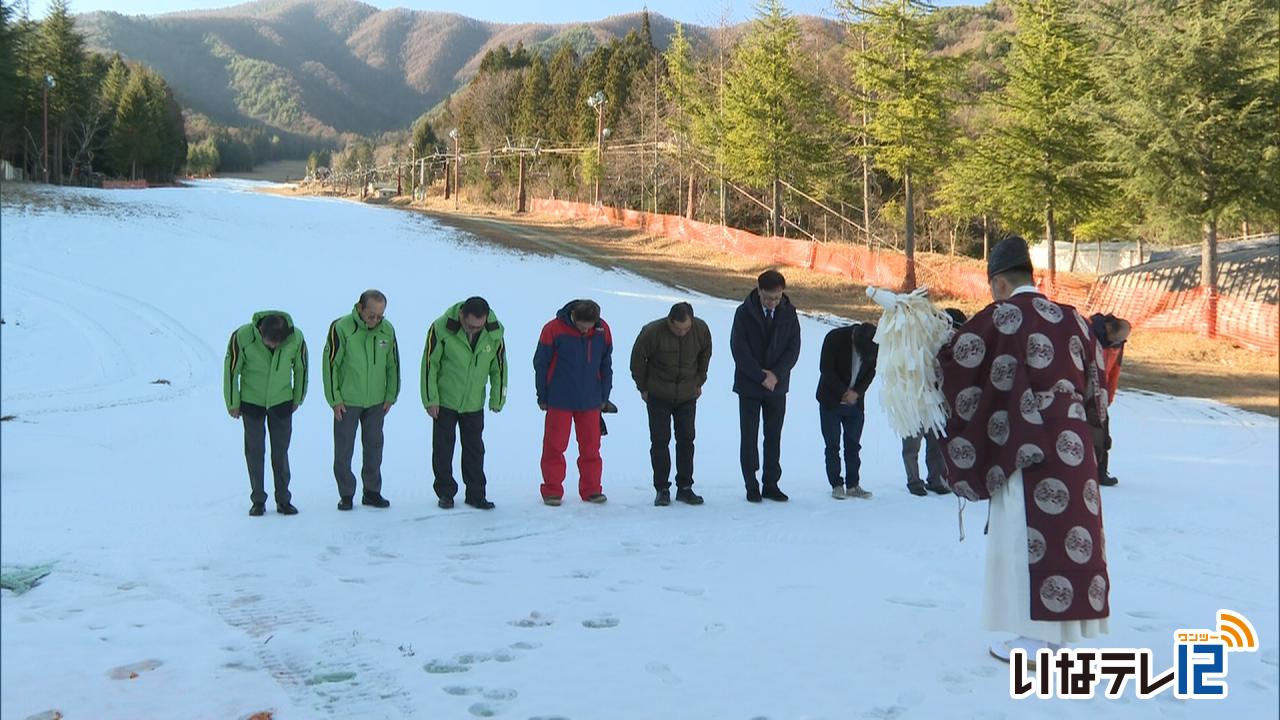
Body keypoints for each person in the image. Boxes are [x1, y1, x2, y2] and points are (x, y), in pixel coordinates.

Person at [938, 235, 1111, 664]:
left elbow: (958, 361)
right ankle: (1060, 636)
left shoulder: (1005, 315)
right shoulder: (1074, 318)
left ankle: (1034, 641)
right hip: (1074, 442)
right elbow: (1098, 387)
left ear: (998, 282)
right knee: (1070, 534)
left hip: (1026, 440)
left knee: (1028, 536)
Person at [422, 296, 508, 510]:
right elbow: (429, 366)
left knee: (475, 450)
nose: (473, 330)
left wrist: (498, 397)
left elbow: (499, 368)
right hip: (445, 402)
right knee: (443, 450)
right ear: (461, 315)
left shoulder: (494, 332)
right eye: (470, 325)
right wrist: (430, 399)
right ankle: (445, 492)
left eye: (478, 326)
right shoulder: (440, 328)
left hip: (473, 403)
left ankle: (476, 495)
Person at [223, 312, 307, 516]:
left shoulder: (296, 338)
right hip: (252, 403)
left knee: (280, 453)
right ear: (260, 332)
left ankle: (283, 499)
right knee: (254, 453)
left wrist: (297, 398)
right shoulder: (242, 337)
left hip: (282, 403)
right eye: (270, 344)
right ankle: (258, 500)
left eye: (278, 345)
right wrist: (233, 403)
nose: (274, 348)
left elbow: (301, 369)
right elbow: (231, 371)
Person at [323, 289, 400, 511]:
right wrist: (334, 399)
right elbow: (330, 366)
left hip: (376, 402)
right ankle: (346, 494)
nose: (375, 320)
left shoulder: (387, 330)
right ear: (359, 308)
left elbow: (392, 365)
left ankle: (372, 491)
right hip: (348, 402)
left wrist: (390, 395)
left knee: (374, 447)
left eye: (380, 316)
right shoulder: (341, 328)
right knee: (344, 449)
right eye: (371, 315)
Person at [631, 302, 713, 506]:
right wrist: (643, 387)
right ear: (669, 321)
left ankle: (685, 487)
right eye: (677, 328)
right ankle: (662, 489)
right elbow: (637, 361)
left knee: (686, 440)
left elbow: (705, 354)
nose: (682, 332)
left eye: (686, 328)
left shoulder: (700, 330)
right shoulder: (652, 332)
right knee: (660, 441)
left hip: (687, 395)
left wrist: (699, 380)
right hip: (658, 394)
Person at [731, 270, 802, 502]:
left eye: (777, 297)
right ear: (759, 290)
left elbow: (793, 349)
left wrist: (776, 375)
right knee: (749, 435)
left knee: (773, 436)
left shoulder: (789, 314)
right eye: (769, 297)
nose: (773, 302)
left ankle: (771, 483)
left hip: (777, 387)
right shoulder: (744, 313)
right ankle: (751, 483)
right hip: (750, 385)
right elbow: (739, 349)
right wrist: (760, 376)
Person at [534, 299, 613, 505]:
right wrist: (542, 396)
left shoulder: (602, 330)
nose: (585, 329)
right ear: (573, 317)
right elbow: (541, 364)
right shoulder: (552, 329)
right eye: (581, 325)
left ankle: (592, 490)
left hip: (591, 400)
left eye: (589, 326)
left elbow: (606, 364)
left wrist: (604, 396)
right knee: (554, 446)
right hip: (559, 399)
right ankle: (551, 490)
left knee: (591, 448)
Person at [902, 308, 967, 497]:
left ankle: (936, 479)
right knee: (912, 444)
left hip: (938, 401)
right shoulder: (922, 342)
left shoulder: (952, 347)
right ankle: (914, 481)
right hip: (917, 399)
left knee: (936, 442)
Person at [816, 321, 878, 499]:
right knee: (832, 445)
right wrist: (844, 391)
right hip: (831, 401)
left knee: (853, 446)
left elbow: (872, 371)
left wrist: (856, 393)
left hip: (855, 405)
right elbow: (826, 369)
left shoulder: (875, 344)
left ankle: (853, 484)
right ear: (854, 338)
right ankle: (836, 484)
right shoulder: (834, 338)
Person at [1089, 313, 1130, 487]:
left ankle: (1100, 471)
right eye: (1115, 341)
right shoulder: (1088, 330)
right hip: (1084, 387)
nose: (1116, 345)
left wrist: (1109, 396)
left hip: (1101, 393)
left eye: (1120, 342)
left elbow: (1115, 372)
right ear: (1108, 329)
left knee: (1103, 435)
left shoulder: (1118, 343)